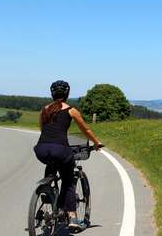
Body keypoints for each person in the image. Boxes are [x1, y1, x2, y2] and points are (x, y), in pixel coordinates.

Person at [33, 80, 104, 230]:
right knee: (68, 181)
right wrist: (96, 143)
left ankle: (47, 191)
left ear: (52, 93)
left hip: (41, 149)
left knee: (51, 164)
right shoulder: (71, 110)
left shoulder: (44, 109)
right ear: (67, 93)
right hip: (60, 149)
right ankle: (72, 216)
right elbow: (86, 130)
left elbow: (42, 129)